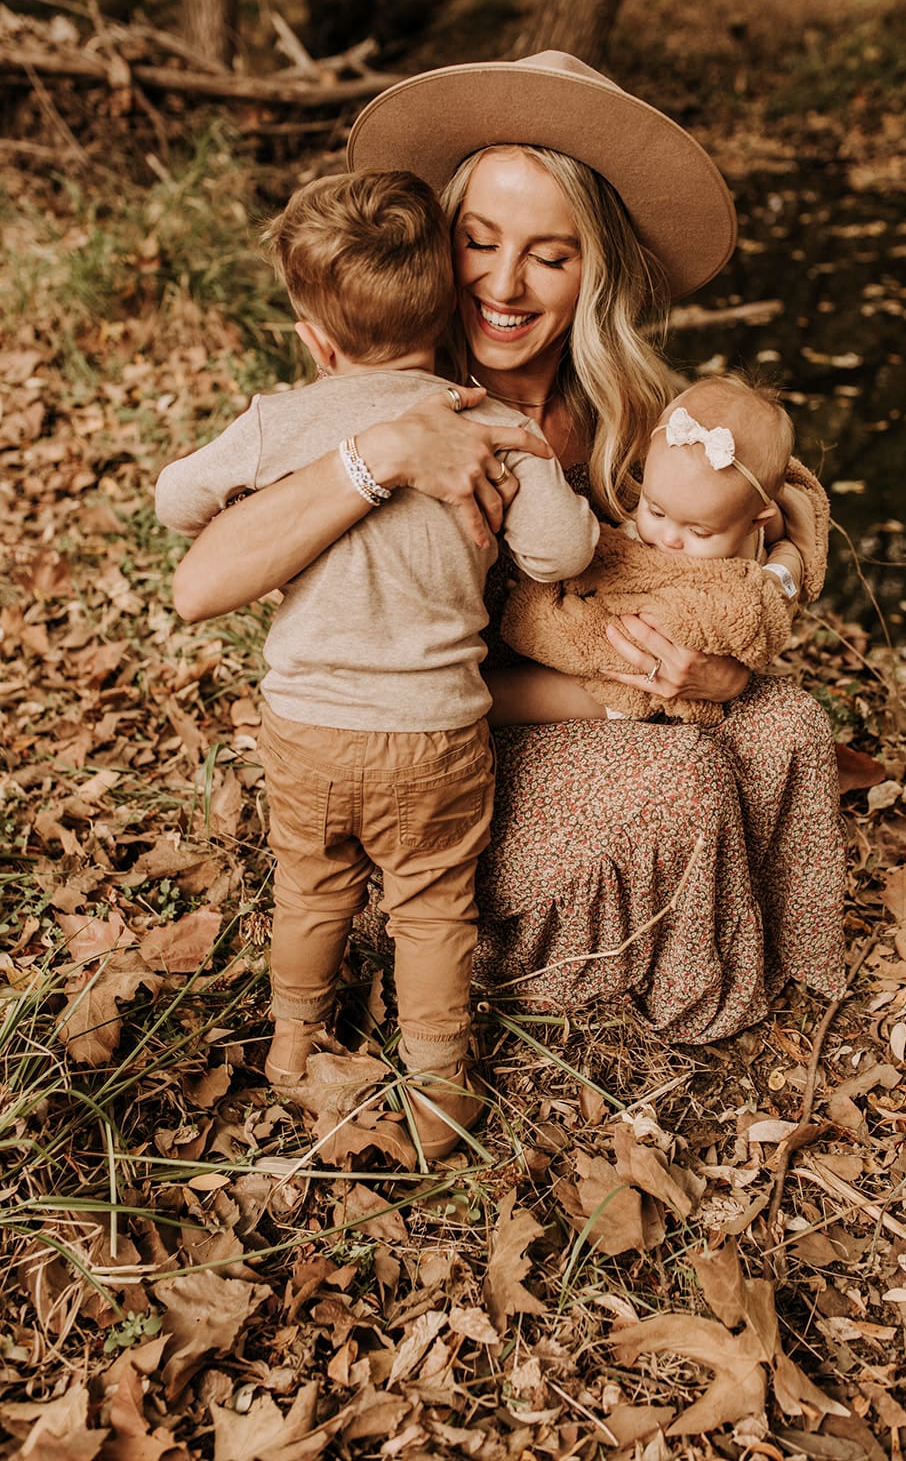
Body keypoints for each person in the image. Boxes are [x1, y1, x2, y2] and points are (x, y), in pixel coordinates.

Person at [169, 51, 847, 1048]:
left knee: (785, 716)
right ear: (436, 248)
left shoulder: (622, 410)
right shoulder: (385, 382)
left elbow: (788, 493)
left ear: (595, 268)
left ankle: (784, 972)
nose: (502, 283)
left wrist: (747, 628)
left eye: (550, 254)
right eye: (478, 242)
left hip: (557, 717)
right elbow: (203, 580)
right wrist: (382, 455)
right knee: (682, 774)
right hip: (419, 777)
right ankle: (564, 976)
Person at [155, 168, 599, 1156]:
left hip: (307, 729)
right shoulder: (485, 425)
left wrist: (260, 471)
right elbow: (560, 555)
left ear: (315, 339)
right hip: (436, 730)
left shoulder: (280, 422)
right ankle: (439, 1091)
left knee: (310, 887)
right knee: (433, 908)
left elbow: (176, 500)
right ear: (449, 305)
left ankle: (287, 1043)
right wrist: (538, 464)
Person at [493, 370, 830, 728]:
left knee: (562, 693)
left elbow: (773, 587)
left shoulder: (741, 580)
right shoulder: (710, 505)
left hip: (635, 682)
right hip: (625, 646)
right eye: (655, 510)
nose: (669, 538)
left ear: (755, 521)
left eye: (699, 531)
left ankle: (488, 702)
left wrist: (786, 566)